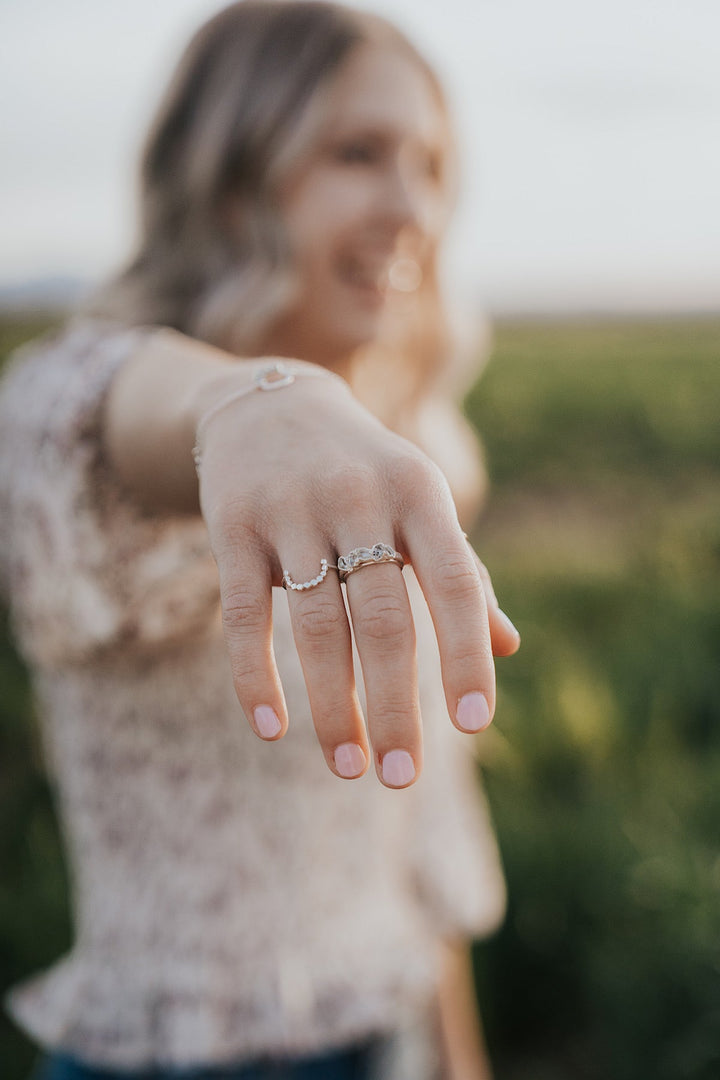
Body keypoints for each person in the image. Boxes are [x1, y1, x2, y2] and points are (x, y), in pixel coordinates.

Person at [0, 2, 520, 1078]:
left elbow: (416, 822)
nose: (411, 205)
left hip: (391, 1041)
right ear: (234, 179)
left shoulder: (410, 451)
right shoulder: (83, 427)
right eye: (358, 153)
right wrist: (250, 402)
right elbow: (102, 409)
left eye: (430, 163)